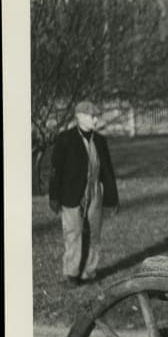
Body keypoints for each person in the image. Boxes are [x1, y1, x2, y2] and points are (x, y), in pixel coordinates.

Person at [48, 100, 119, 286]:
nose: (96, 119)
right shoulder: (65, 139)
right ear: (79, 117)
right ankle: (72, 274)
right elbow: (56, 170)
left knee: (94, 233)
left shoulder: (100, 141)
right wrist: (54, 197)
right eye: (91, 116)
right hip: (71, 193)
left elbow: (108, 172)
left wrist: (112, 199)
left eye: (97, 116)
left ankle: (89, 271)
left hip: (95, 191)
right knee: (74, 232)